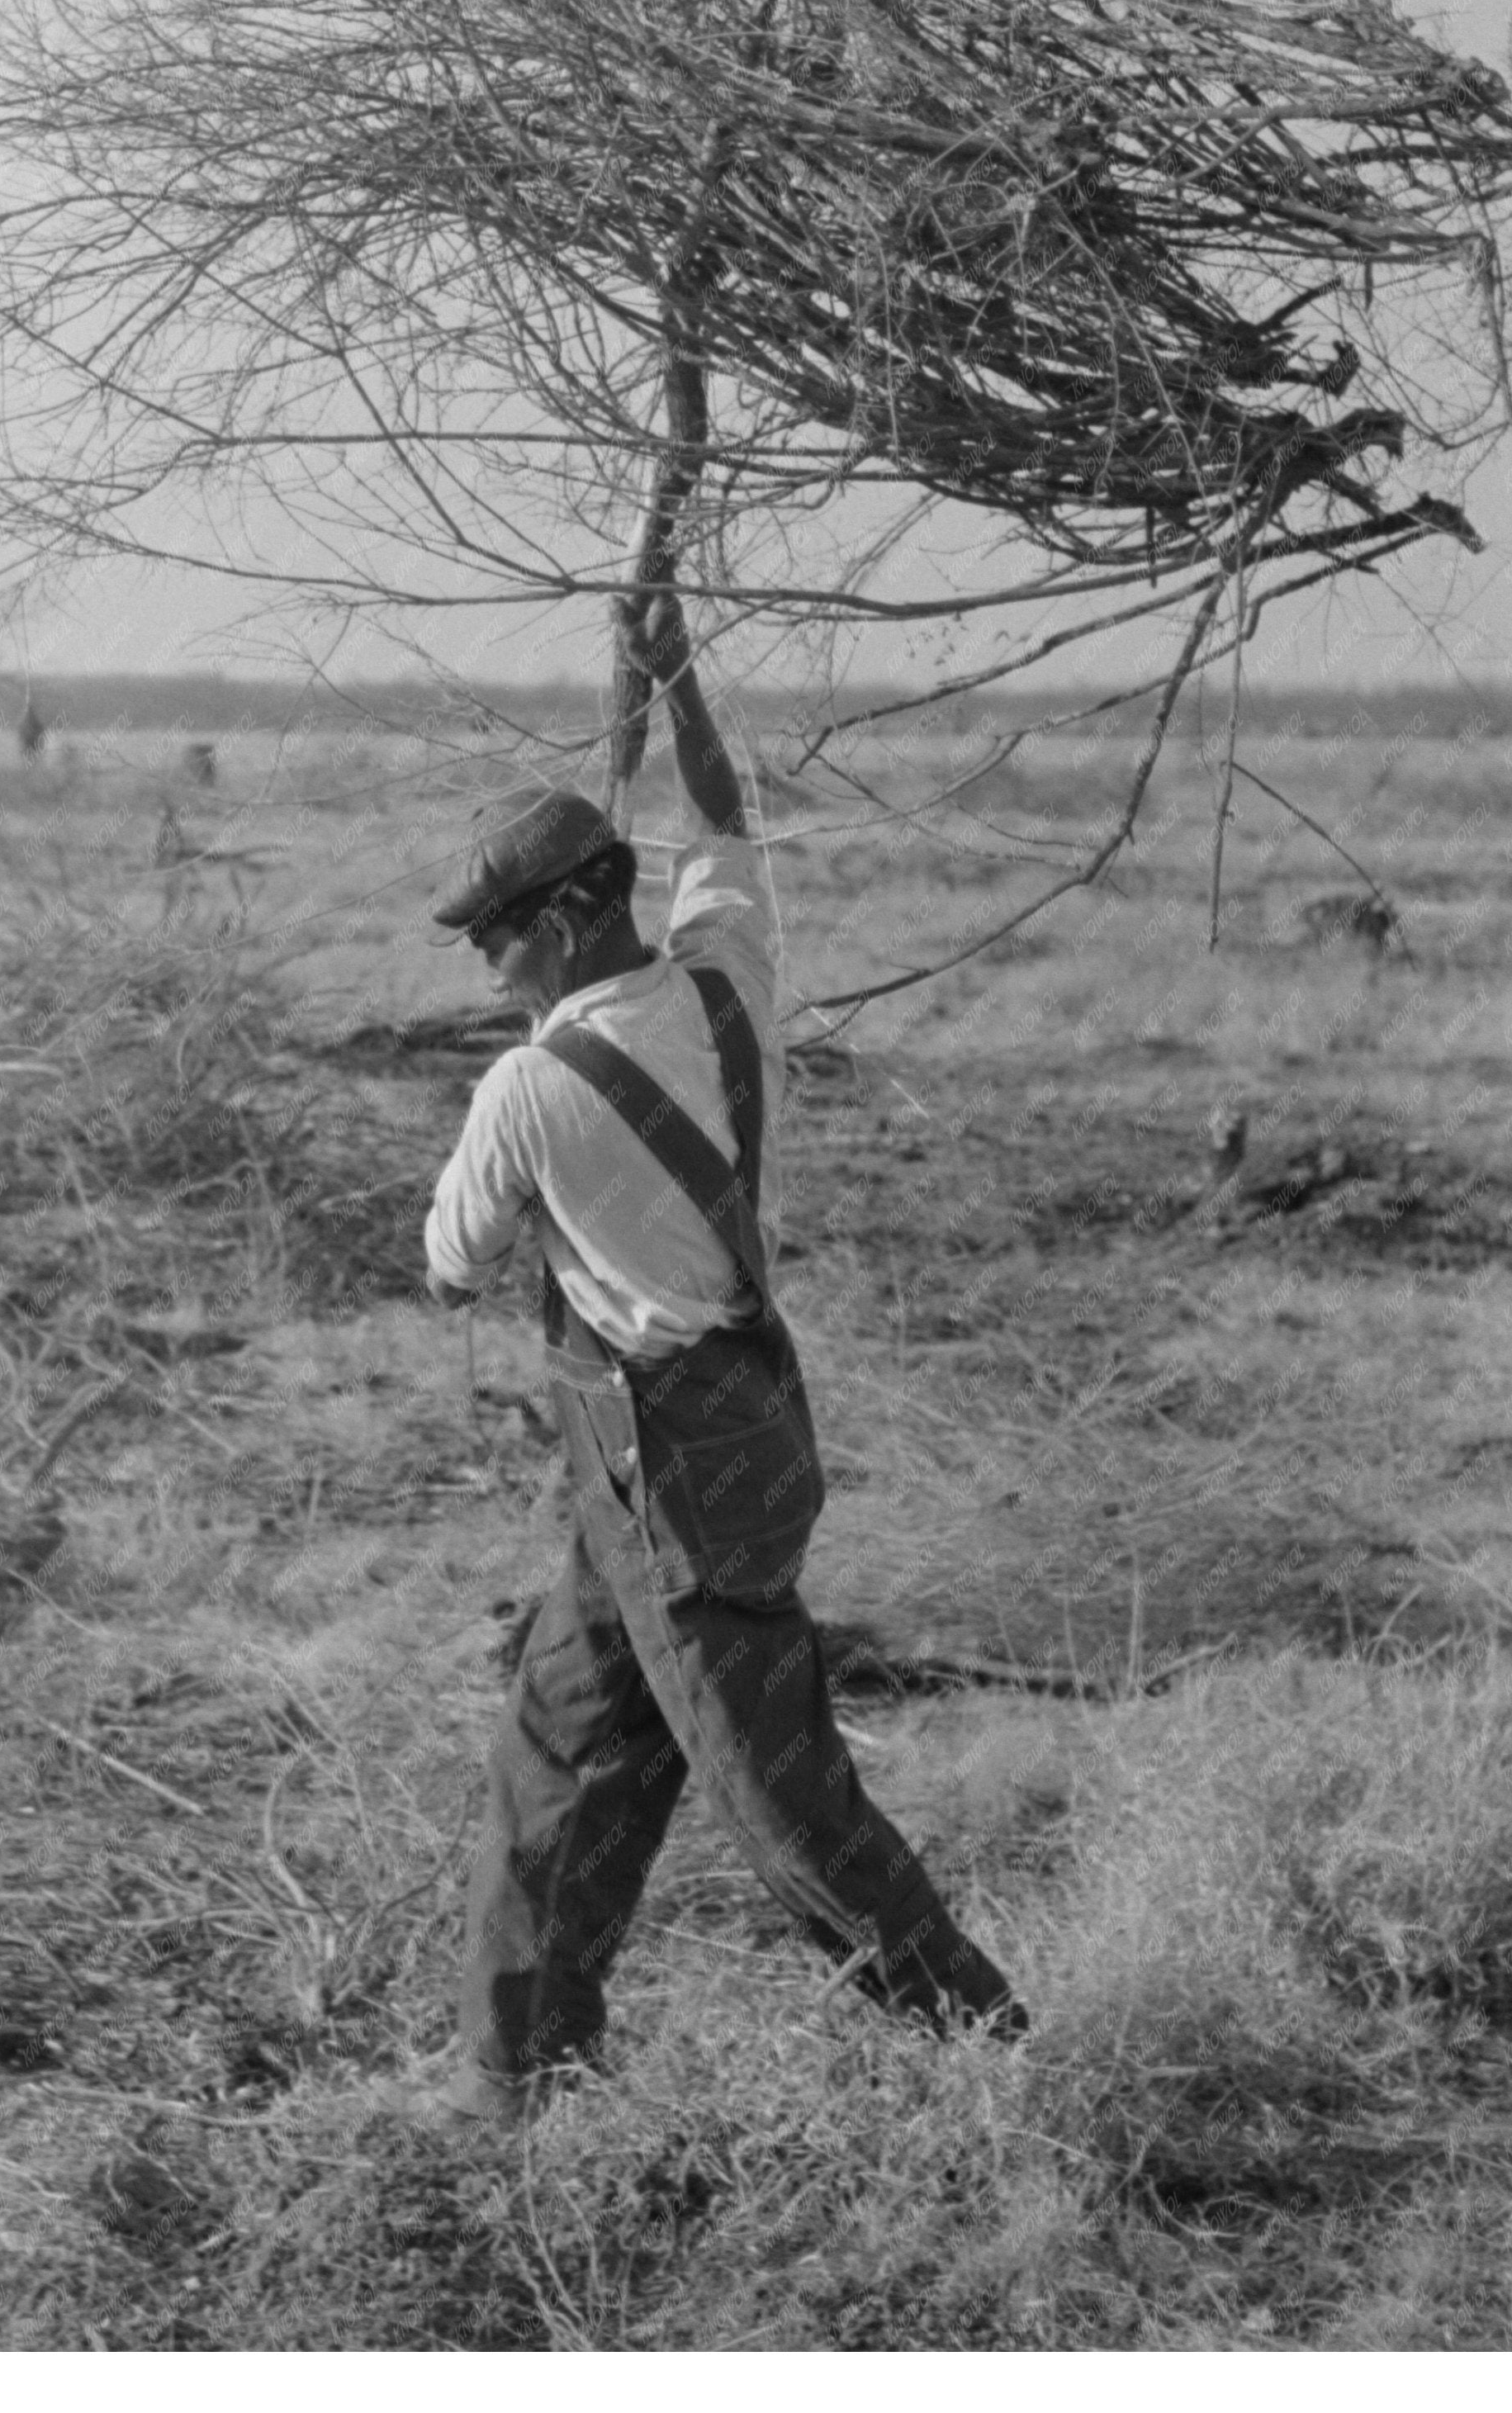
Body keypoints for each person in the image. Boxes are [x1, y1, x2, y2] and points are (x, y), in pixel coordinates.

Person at [412, 591, 1023, 2130]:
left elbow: (447, 1261)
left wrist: (525, 1186)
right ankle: (514, 2080)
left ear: (559, 918)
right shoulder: (723, 982)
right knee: (557, 1743)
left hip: (659, 1467)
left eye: (495, 936)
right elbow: (726, 821)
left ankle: (1001, 2059)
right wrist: (671, 666)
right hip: (746, 1421)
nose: (487, 967)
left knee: (778, 1804)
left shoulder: (527, 1091)